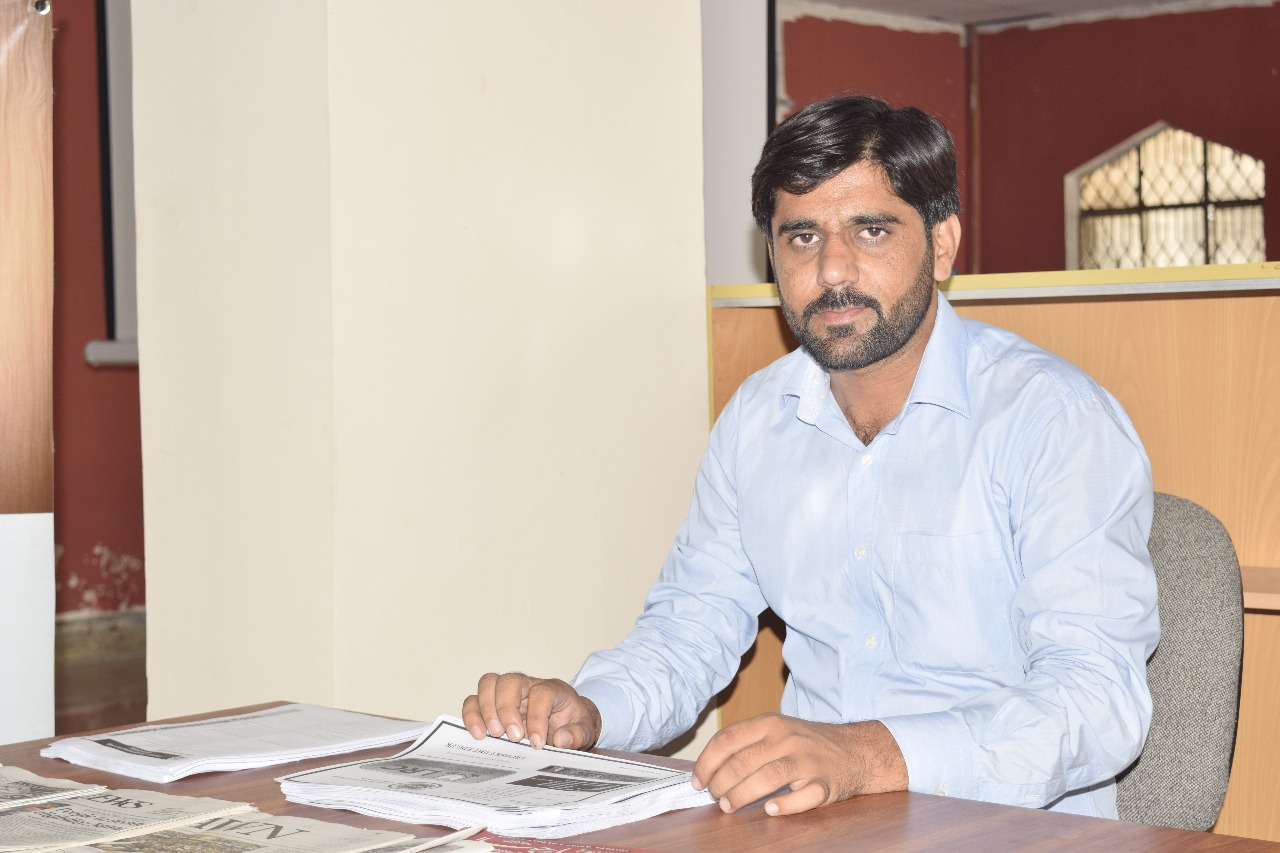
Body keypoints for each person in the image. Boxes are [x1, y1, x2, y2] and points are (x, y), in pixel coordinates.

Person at [462, 94, 1159, 821]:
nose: (831, 270)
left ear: (943, 243)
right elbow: (691, 627)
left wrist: (867, 756)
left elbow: (1096, 700)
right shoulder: (757, 420)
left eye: (871, 230)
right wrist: (590, 711)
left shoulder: (1051, 420)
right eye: (801, 236)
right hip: (809, 825)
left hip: (1012, 829)